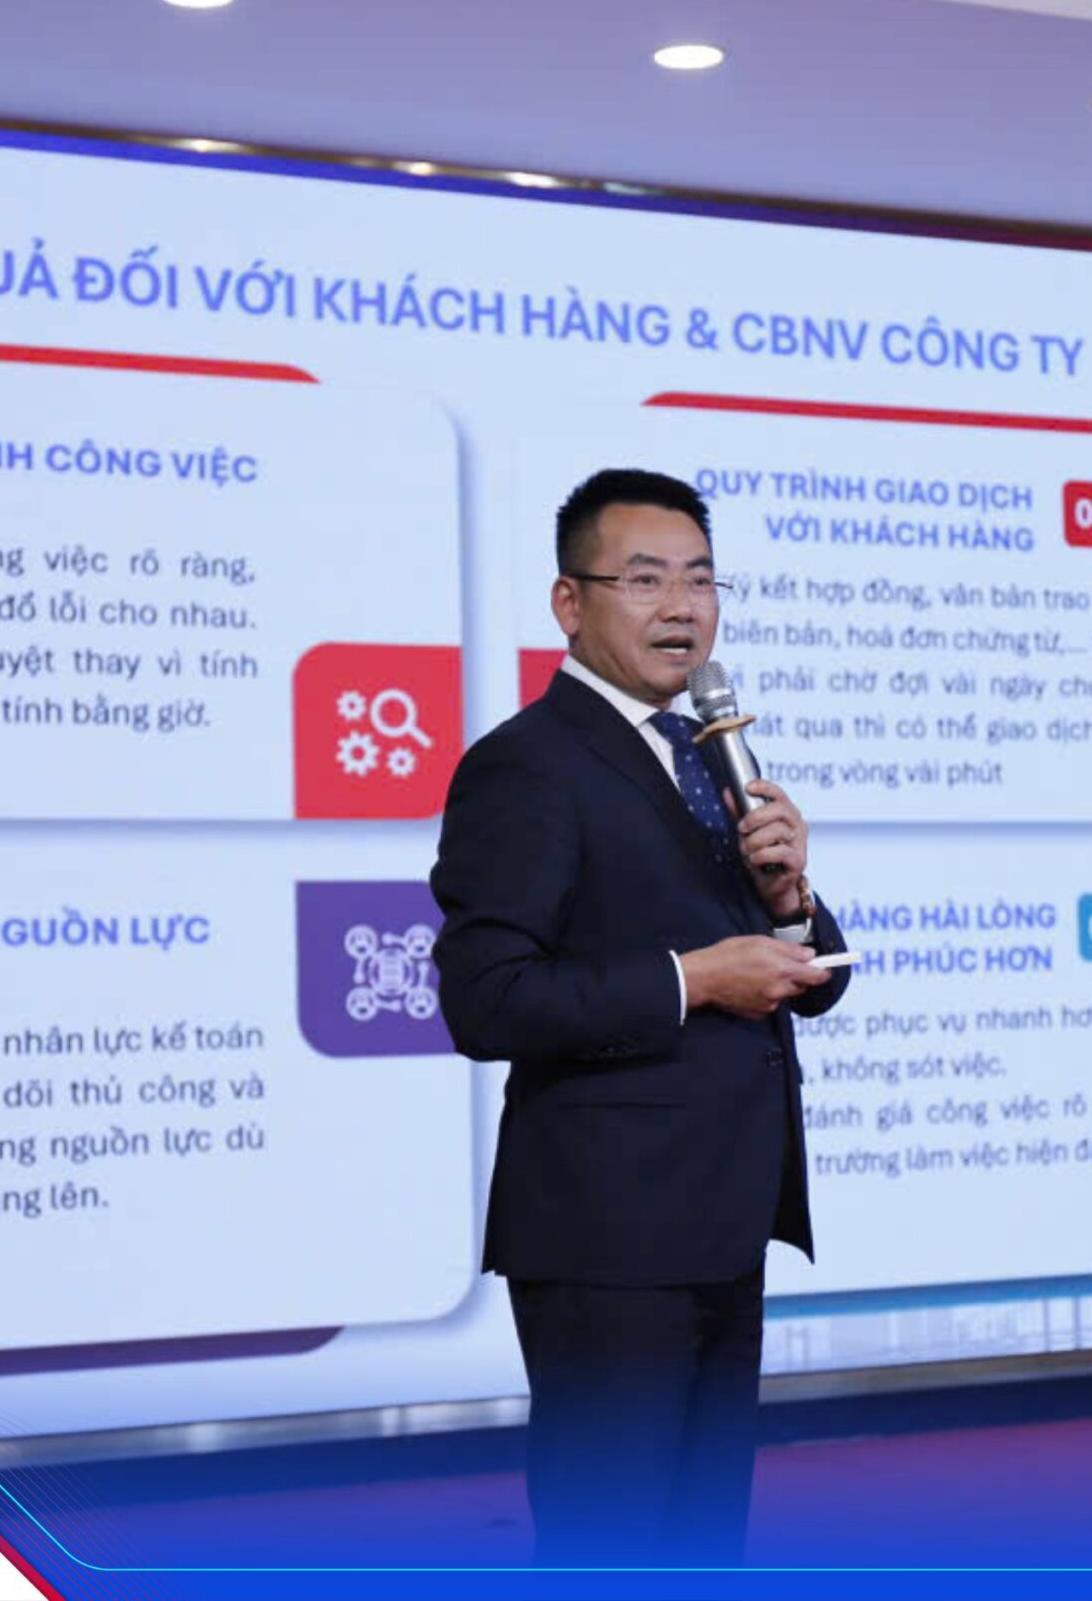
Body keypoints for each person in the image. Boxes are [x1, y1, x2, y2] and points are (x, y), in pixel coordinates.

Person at [428, 467, 853, 1567]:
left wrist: (792, 899)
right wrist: (690, 981)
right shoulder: (526, 765)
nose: (681, 608)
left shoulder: (708, 756)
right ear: (570, 603)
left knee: (703, 1545)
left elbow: (817, 976)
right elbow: (485, 998)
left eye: (701, 580)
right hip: (607, 1238)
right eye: (646, 579)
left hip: (722, 1217)